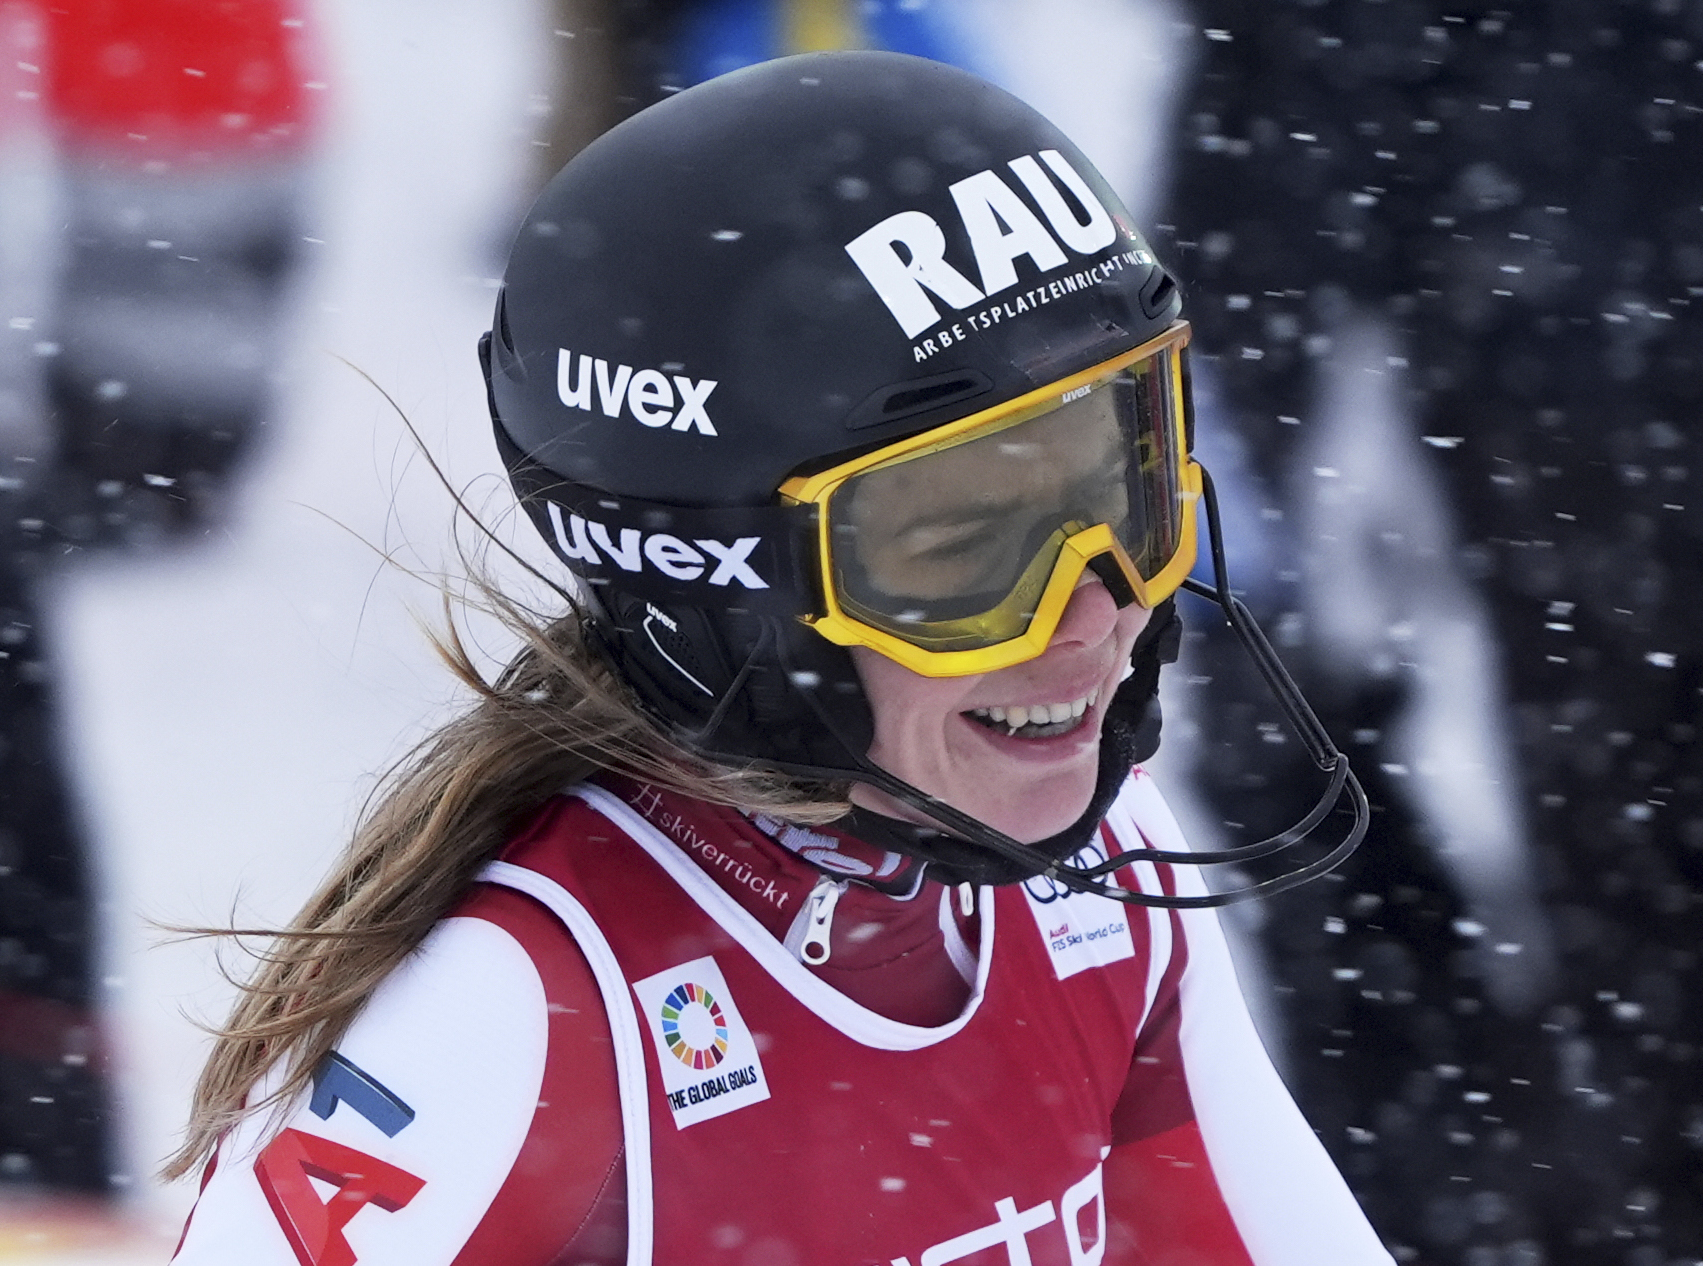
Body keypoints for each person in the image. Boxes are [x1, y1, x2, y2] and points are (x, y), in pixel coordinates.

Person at [165, 51, 1389, 1265]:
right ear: (724, 590)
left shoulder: (1093, 881)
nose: (1089, 618)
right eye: (965, 550)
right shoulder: (517, 1013)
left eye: (1115, 492)